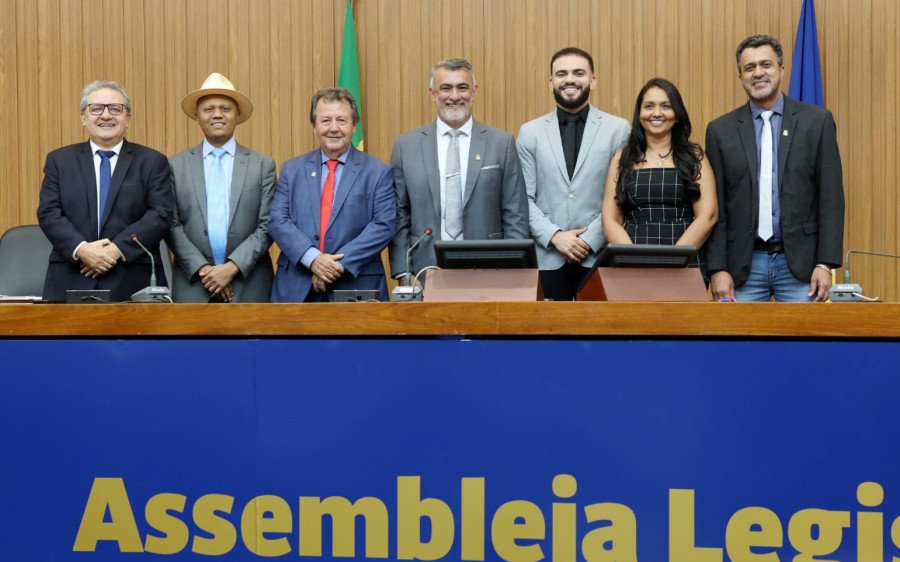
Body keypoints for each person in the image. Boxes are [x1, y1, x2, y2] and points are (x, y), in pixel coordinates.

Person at [705, 35, 845, 302]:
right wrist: (717, 268)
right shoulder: (719, 130)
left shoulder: (817, 122)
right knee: (739, 344)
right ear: (740, 76)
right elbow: (716, 207)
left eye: (766, 65)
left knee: (802, 344)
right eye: (750, 67)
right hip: (741, 268)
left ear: (781, 69)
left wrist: (826, 263)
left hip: (802, 267)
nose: (758, 73)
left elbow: (831, 198)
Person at [388, 58, 528, 284]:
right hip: (424, 273)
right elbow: (399, 216)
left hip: (490, 272)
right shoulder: (406, 146)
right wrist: (404, 274)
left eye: (462, 87)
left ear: (474, 91)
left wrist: (511, 272)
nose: (454, 96)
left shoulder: (501, 143)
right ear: (433, 93)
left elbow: (515, 215)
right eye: (446, 88)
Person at [37, 80, 174, 302]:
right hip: (71, 276)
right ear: (83, 117)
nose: (106, 115)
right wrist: (82, 249)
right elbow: (48, 212)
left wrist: (116, 249)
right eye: (96, 109)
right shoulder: (59, 161)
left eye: (115, 109)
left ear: (127, 118)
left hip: (132, 279)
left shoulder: (152, 161)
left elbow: (161, 214)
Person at [517, 47, 630, 300]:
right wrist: (555, 237)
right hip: (547, 257)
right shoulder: (529, 132)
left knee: (599, 336)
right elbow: (522, 199)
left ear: (593, 80)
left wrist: (589, 239)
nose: (569, 79)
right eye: (561, 73)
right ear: (551, 82)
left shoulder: (618, 129)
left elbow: (620, 196)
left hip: (598, 255)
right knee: (547, 336)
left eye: (578, 73)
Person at [268, 87, 395, 302]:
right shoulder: (292, 169)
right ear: (314, 127)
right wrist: (313, 259)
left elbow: (383, 225)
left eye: (342, 120)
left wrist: (335, 266)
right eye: (326, 120)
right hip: (297, 287)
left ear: (354, 125)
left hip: (356, 286)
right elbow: (278, 221)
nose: (334, 128)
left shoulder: (378, 171)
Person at [167, 73, 276, 303]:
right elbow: (171, 225)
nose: (217, 114)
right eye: (209, 109)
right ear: (197, 116)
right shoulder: (175, 165)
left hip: (249, 286)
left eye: (225, 108)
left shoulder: (262, 165)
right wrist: (205, 271)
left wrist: (231, 268)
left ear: (237, 115)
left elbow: (268, 225)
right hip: (193, 285)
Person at [602, 78, 717, 275]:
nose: (657, 113)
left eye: (666, 106)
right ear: (640, 115)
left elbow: (708, 215)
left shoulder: (694, 156)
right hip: (633, 266)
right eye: (649, 106)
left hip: (685, 263)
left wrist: (673, 260)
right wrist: (634, 260)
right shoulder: (622, 158)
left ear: (677, 114)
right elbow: (610, 219)